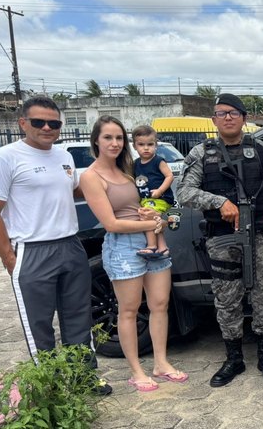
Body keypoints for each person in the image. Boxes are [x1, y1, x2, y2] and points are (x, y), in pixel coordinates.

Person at [0, 96, 112, 395]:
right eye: (39, 122)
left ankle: (84, 379)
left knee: (79, 316)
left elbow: (77, 191)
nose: (46, 128)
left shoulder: (63, 157)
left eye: (53, 123)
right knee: (39, 324)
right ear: (22, 123)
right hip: (32, 249)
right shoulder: (5, 158)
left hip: (70, 244)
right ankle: (50, 386)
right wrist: (9, 259)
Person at [177, 93, 263, 387]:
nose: (227, 117)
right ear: (214, 120)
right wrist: (218, 202)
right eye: (221, 113)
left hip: (261, 234)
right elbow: (183, 192)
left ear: (243, 118)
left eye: (233, 113)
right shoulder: (202, 153)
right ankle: (234, 359)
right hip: (223, 238)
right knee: (227, 298)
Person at [80, 116, 187, 392]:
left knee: (159, 304)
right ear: (96, 140)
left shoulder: (129, 169)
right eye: (108, 137)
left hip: (151, 238)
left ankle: (161, 363)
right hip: (124, 246)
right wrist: (151, 223)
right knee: (128, 310)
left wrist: (157, 217)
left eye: (119, 138)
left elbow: (149, 199)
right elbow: (111, 224)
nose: (115, 143)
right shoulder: (91, 176)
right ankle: (136, 371)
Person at [132, 125, 174, 257]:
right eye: (141, 144)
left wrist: (160, 191)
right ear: (134, 146)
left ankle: (151, 246)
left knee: (147, 218)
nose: (146, 148)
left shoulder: (158, 161)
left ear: (156, 145)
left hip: (160, 198)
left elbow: (169, 176)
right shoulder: (135, 164)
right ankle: (163, 248)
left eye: (150, 144)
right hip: (147, 199)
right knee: (156, 221)